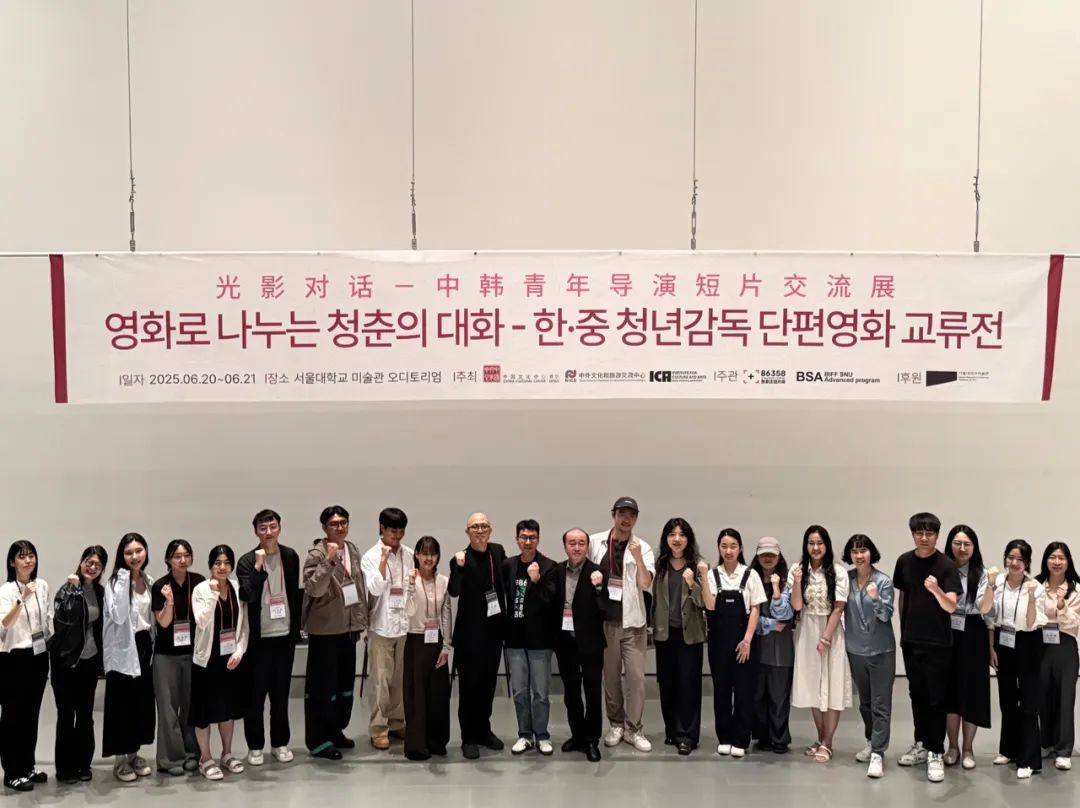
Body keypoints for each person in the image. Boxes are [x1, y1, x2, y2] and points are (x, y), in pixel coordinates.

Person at [892, 512, 962, 783]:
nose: (924, 537)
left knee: (935, 698)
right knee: (917, 694)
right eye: (919, 533)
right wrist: (904, 632)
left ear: (937, 535)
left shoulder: (946, 566)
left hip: (938, 643)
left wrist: (936, 590)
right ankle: (921, 743)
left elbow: (951, 605)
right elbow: (903, 597)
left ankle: (935, 751)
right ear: (912, 534)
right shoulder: (904, 561)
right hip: (912, 641)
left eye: (929, 533)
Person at [589, 497, 655, 752]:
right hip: (606, 623)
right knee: (611, 678)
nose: (626, 519)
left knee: (636, 679)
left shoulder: (643, 547)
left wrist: (637, 557)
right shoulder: (595, 542)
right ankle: (616, 724)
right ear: (613, 515)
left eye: (631, 515)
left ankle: (634, 728)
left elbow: (645, 583)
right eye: (622, 514)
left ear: (636, 518)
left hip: (633, 623)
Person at [302, 505, 369, 760]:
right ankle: (318, 740)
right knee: (322, 688)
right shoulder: (317, 554)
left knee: (343, 687)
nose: (340, 527)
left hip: (348, 629)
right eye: (334, 524)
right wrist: (328, 561)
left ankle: (335, 731)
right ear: (324, 527)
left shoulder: (352, 549)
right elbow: (314, 589)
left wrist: (362, 621)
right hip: (325, 632)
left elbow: (358, 586)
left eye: (343, 523)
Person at [237, 509, 302, 765]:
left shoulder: (290, 556)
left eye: (273, 526)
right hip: (258, 640)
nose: (268, 532)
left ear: (279, 528)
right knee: (254, 697)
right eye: (263, 528)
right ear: (256, 531)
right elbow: (248, 594)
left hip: (284, 637)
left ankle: (280, 743)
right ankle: (255, 746)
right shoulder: (246, 561)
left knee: (280, 695)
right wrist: (258, 567)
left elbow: (294, 594)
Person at [788, 525, 850, 764]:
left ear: (827, 545)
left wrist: (826, 637)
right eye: (811, 543)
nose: (815, 548)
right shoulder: (797, 569)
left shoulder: (838, 571)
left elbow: (839, 607)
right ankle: (820, 737)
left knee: (832, 685)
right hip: (806, 629)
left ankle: (828, 742)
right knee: (813, 685)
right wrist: (796, 581)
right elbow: (796, 606)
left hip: (830, 630)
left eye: (820, 543)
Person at [449, 512, 508, 759]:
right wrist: (459, 568)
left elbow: (507, 579)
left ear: (490, 530)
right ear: (467, 532)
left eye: (484, 526)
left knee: (488, 685)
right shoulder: (459, 558)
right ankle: (469, 737)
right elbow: (453, 591)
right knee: (469, 688)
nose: (480, 530)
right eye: (475, 527)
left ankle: (484, 730)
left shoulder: (498, 552)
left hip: (493, 633)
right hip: (469, 636)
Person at [701, 528, 765, 758]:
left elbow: (755, 608)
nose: (728, 551)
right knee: (721, 690)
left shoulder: (750, 574)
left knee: (744, 691)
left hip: (744, 641)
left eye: (733, 546)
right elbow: (710, 606)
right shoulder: (712, 575)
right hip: (718, 642)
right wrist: (702, 576)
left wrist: (747, 640)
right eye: (724, 546)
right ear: (719, 548)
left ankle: (741, 738)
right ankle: (725, 737)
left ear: (740, 549)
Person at [986, 539, 1046, 779]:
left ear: (1027, 562)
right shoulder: (997, 582)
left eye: (1020, 559)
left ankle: (1029, 760)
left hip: (1028, 641)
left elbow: (1031, 623)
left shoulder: (1035, 587)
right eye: (1011, 557)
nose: (1014, 563)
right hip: (1003, 640)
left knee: (1029, 702)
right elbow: (988, 614)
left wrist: (1030, 597)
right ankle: (1009, 749)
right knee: (1007, 698)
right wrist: (991, 648)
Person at [190, 545, 250, 780]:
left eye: (226, 563)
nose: (222, 567)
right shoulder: (201, 589)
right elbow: (201, 621)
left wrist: (240, 651)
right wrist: (214, 594)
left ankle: (227, 753)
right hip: (206, 660)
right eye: (217, 563)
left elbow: (243, 626)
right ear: (210, 566)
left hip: (230, 659)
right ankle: (205, 758)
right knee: (203, 713)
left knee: (228, 709)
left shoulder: (236, 587)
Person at [50, 545, 108, 785]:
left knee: (85, 715)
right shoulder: (67, 589)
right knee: (66, 715)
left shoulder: (100, 592)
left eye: (98, 565)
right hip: (66, 662)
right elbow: (63, 621)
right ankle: (65, 768)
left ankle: (83, 764)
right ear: (81, 561)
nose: (92, 567)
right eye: (89, 562)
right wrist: (73, 591)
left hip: (89, 661)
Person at [102, 533, 156, 782]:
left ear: (146, 552)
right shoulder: (115, 582)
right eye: (129, 552)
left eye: (139, 551)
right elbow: (120, 616)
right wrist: (124, 579)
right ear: (121, 556)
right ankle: (120, 760)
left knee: (140, 704)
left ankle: (134, 754)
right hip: (123, 649)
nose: (135, 556)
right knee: (121, 705)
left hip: (144, 647)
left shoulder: (149, 580)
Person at [0, 541, 52, 791]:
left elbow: (46, 619)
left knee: (31, 715)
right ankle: (12, 772)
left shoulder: (42, 585)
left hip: (38, 655)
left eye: (31, 555)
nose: (28, 560)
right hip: (14, 658)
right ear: (12, 562)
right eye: (22, 557)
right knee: (13, 717)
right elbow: (4, 624)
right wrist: (22, 599)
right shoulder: (6, 590)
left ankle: (27, 767)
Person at [650, 518, 705, 756]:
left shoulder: (699, 566)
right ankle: (672, 730)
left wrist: (693, 583)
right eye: (672, 534)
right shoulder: (660, 565)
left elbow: (704, 602)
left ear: (688, 539)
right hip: (665, 634)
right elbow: (655, 599)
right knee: (667, 684)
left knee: (688, 685)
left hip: (689, 635)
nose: (677, 539)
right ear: (666, 539)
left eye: (682, 534)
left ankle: (688, 736)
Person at [503, 518, 558, 755]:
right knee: (519, 691)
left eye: (532, 537)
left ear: (538, 539)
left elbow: (550, 599)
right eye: (523, 537)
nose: (527, 542)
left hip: (540, 640)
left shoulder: (549, 566)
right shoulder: (509, 565)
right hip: (515, 639)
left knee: (541, 692)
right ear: (517, 539)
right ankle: (524, 734)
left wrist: (536, 580)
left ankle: (542, 735)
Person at [360, 507, 413, 751]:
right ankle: (379, 728)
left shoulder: (409, 554)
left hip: (404, 625)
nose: (397, 536)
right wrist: (383, 560)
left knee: (400, 680)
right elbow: (375, 589)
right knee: (380, 681)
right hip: (381, 626)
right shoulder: (370, 556)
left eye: (401, 531)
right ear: (382, 528)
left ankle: (397, 721)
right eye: (393, 531)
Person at [843, 534, 896, 779]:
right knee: (865, 702)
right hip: (855, 650)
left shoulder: (883, 581)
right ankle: (871, 740)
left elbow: (886, 615)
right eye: (854, 551)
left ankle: (878, 753)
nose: (859, 555)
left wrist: (875, 599)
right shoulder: (847, 579)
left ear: (871, 553)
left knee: (880, 704)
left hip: (881, 650)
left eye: (863, 550)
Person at [553, 528, 608, 762]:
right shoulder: (556, 571)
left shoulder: (599, 572)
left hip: (591, 643)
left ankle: (592, 740)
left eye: (581, 543)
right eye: (572, 543)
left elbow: (607, 608)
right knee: (571, 692)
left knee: (593, 692)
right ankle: (577, 736)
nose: (576, 547)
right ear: (565, 546)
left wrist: (599, 588)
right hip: (565, 642)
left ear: (587, 546)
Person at [942, 524, 994, 770]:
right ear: (950, 544)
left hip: (974, 633)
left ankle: (968, 748)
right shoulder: (941, 569)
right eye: (957, 543)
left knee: (972, 692)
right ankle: (952, 746)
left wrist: (991, 647)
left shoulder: (981, 573)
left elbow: (987, 612)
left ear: (974, 547)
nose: (962, 548)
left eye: (967, 544)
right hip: (946, 633)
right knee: (950, 692)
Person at [150, 539, 203, 775]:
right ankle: (170, 759)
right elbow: (163, 622)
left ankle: (193, 754)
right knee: (168, 708)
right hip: (166, 655)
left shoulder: (199, 582)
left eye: (186, 555)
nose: (182, 560)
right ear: (168, 559)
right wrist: (169, 602)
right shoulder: (160, 585)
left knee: (191, 706)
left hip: (192, 653)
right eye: (177, 556)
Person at [402, 536, 452, 761]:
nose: (429, 558)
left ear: (438, 556)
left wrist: (446, 646)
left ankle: (436, 741)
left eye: (433, 553)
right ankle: (417, 745)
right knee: (416, 694)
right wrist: (411, 586)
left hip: (437, 642)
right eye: (424, 553)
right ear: (417, 555)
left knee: (438, 694)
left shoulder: (443, 581)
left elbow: (446, 614)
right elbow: (408, 611)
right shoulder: (409, 579)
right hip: (415, 640)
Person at [1036, 541, 1080, 770]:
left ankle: (1063, 750)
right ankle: (1046, 742)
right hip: (1040, 645)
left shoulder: (1076, 589)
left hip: (1065, 646)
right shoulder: (1035, 586)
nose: (1056, 562)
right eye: (1052, 557)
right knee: (1042, 696)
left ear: (1068, 562)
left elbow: (1073, 622)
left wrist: (1062, 607)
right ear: (1046, 560)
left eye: (1061, 558)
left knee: (1065, 698)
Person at [750, 537, 794, 754]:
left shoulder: (787, 582)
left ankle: (779, 738)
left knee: (779, 697)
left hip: (780, 651)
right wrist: (769, 624)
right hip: (756, 649)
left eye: (772, 555)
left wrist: (776, 588)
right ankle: (763, 736)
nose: (767, 558)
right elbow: (747, 616)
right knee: (757, 696)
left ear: (779, 557)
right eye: (763, 555)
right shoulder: (750, 579)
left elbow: (784, 615)